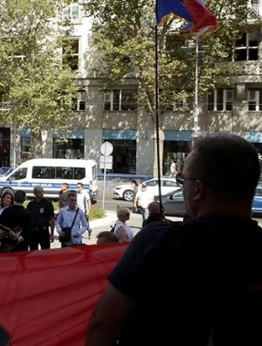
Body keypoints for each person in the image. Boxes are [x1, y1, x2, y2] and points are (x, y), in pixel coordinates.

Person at [86, 134, 262, 345]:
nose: (182, 186)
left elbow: (103, 324)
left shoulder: (159, 242)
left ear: (198, 189)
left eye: (183, 180)